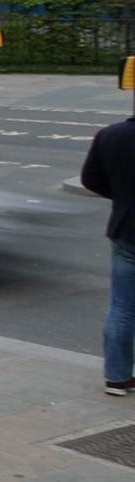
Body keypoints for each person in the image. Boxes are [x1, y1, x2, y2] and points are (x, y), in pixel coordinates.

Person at [80, 111, 135, 395]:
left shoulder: (110, 135)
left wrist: (123, 196)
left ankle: (117, 376)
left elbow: (90, 179)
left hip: (126, 229)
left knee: (122, 306)